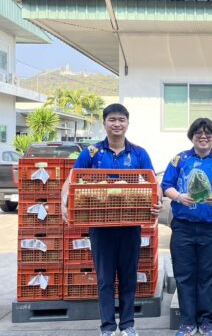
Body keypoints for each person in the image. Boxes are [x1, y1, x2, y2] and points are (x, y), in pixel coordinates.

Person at [62, 103, 161, 336]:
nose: (117, 124)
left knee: (128, 277)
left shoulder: (138, 153)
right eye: (112, 120)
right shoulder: (92, 153)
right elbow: (72, 179)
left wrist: (157, 204)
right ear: (104, 123)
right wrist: (64, 201)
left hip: (130, 224)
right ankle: (107, 327)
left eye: (121, 120)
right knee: (105, 279)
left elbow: (153, 183)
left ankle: (128, 325)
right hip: (100, 226)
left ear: (127, 123)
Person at [161, 118, 212, 336]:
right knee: (184, 275)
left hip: (210, 228)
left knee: (207, 276)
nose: (203, 137)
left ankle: (206, 321)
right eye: (198, 133)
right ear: (192, 136)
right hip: (183, 227)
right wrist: (180, 197)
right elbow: (166, 186)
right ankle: (187, 322)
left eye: (208, 133)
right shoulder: (179, 159)